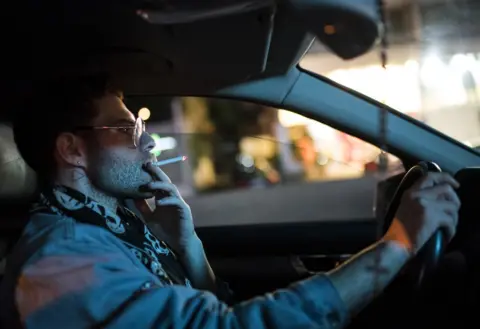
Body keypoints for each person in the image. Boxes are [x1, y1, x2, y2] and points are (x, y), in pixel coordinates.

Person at [0, 75, 461, 329]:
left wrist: (189, 246)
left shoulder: (114, 223)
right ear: (72, 150)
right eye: (127, 131)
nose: (147, 146)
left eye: (141, 131)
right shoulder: (60, 260)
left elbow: (204, 311)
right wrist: (398, 242)